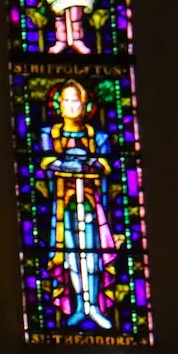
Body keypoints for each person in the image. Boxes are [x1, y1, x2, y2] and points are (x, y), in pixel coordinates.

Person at [40, 80, 118, 332]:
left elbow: (105, 166)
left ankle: (94, 305)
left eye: (77, 101)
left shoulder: (98, 136)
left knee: (93, 255)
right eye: (67, 101)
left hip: (92, 206)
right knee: (71, 255)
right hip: (64, 207)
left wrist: (87, 162)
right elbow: (47, 162)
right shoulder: (50, 134)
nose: (72, 106)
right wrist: (70, 164)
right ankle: (78, 307)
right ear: (59, 105)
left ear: (85, 105)